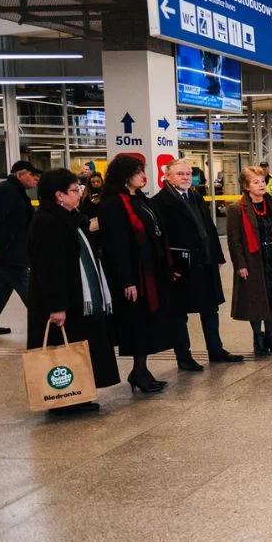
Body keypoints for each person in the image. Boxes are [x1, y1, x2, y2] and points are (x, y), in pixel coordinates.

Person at [26, 168, 117, 414]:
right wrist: (56, 306)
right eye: (74, 190)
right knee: (61, 351)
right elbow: (49, 268)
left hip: (76, 298)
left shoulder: (69, 217)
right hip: (60, 301)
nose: (79, 194)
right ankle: (63, 399)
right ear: (59, 195)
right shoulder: (47, 222)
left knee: (78, 346)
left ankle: (78, 393)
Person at [153, 158, 243, 370]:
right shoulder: (159, 202)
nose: (186, 177)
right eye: (180, 174)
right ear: (167, 176)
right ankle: (183, 356)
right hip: (181, 266)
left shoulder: (195, 196)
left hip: (205, 261)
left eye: (188, 174)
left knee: (210, 308)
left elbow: (209, 228)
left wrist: (218, 255)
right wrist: (168, 266)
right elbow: (160, 239)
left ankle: (215, 349)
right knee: (179, 313)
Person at [98, 155, 176, 394]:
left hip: (150, 272)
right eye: (137, 172)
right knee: (136, 323)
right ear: (124, 177)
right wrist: (127, 280)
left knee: (148, 322)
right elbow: (116, 246)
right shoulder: (112, 204)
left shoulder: (140, 199)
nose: (143, 176)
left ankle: (141, 369)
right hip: (133, 276)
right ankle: (139, 372)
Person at [227, 166, 272, 356]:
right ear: (246, 186)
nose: (261, 185)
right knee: (256, 299)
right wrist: (240, 264)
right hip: (253, 261)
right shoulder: (236, 209)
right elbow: (235, 241)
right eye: (256, 182)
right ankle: (258, 339)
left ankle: (271, 338)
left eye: (262, 181)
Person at [0, 160, 41, 335]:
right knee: (32, 292)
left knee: (0, 288)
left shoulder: (17, 192)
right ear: (20, 174)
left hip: (13, 251)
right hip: (10, 254)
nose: (35, 178)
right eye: (31, 175)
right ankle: (49, 323)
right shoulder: (5, 191)